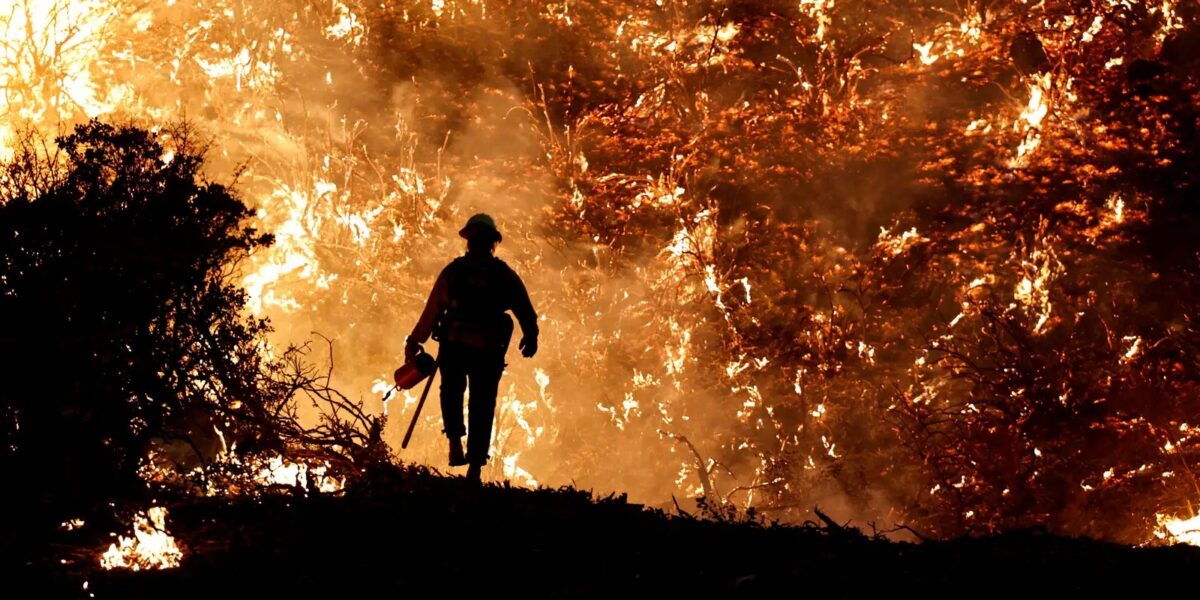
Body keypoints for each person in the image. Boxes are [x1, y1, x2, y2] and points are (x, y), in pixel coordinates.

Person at [405, 213, 539, 483]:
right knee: (482, 404)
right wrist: (531, 335)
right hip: (488, 351)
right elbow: (524, 309)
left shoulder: (453, 272)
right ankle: (475, 467)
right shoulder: (503, 275)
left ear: (470, 241)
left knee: (451, 394)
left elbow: (432, 311)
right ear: (493, 243)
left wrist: (415, 340)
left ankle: (456, 443)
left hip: (455, 347)